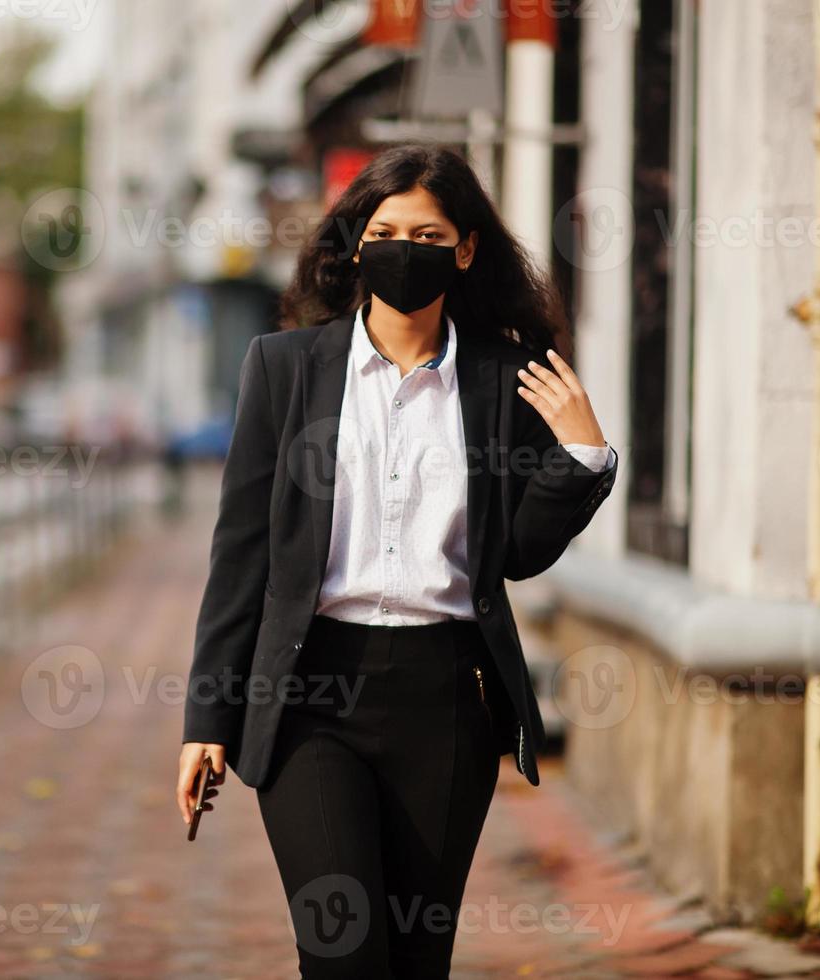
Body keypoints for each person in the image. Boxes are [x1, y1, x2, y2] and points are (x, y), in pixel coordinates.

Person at [174, 143, 617, 978]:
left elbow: (515, 557)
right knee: (342, 951)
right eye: (384, 230)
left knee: (416, 959)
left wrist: (579, 457)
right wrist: (207, 717)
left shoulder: (507, 378)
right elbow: (240, 555)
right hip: (308, 694)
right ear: (354, 243)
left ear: (465, 248)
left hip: (445, 700)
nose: (402, 249)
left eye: (426, 233)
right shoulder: (284, 368)